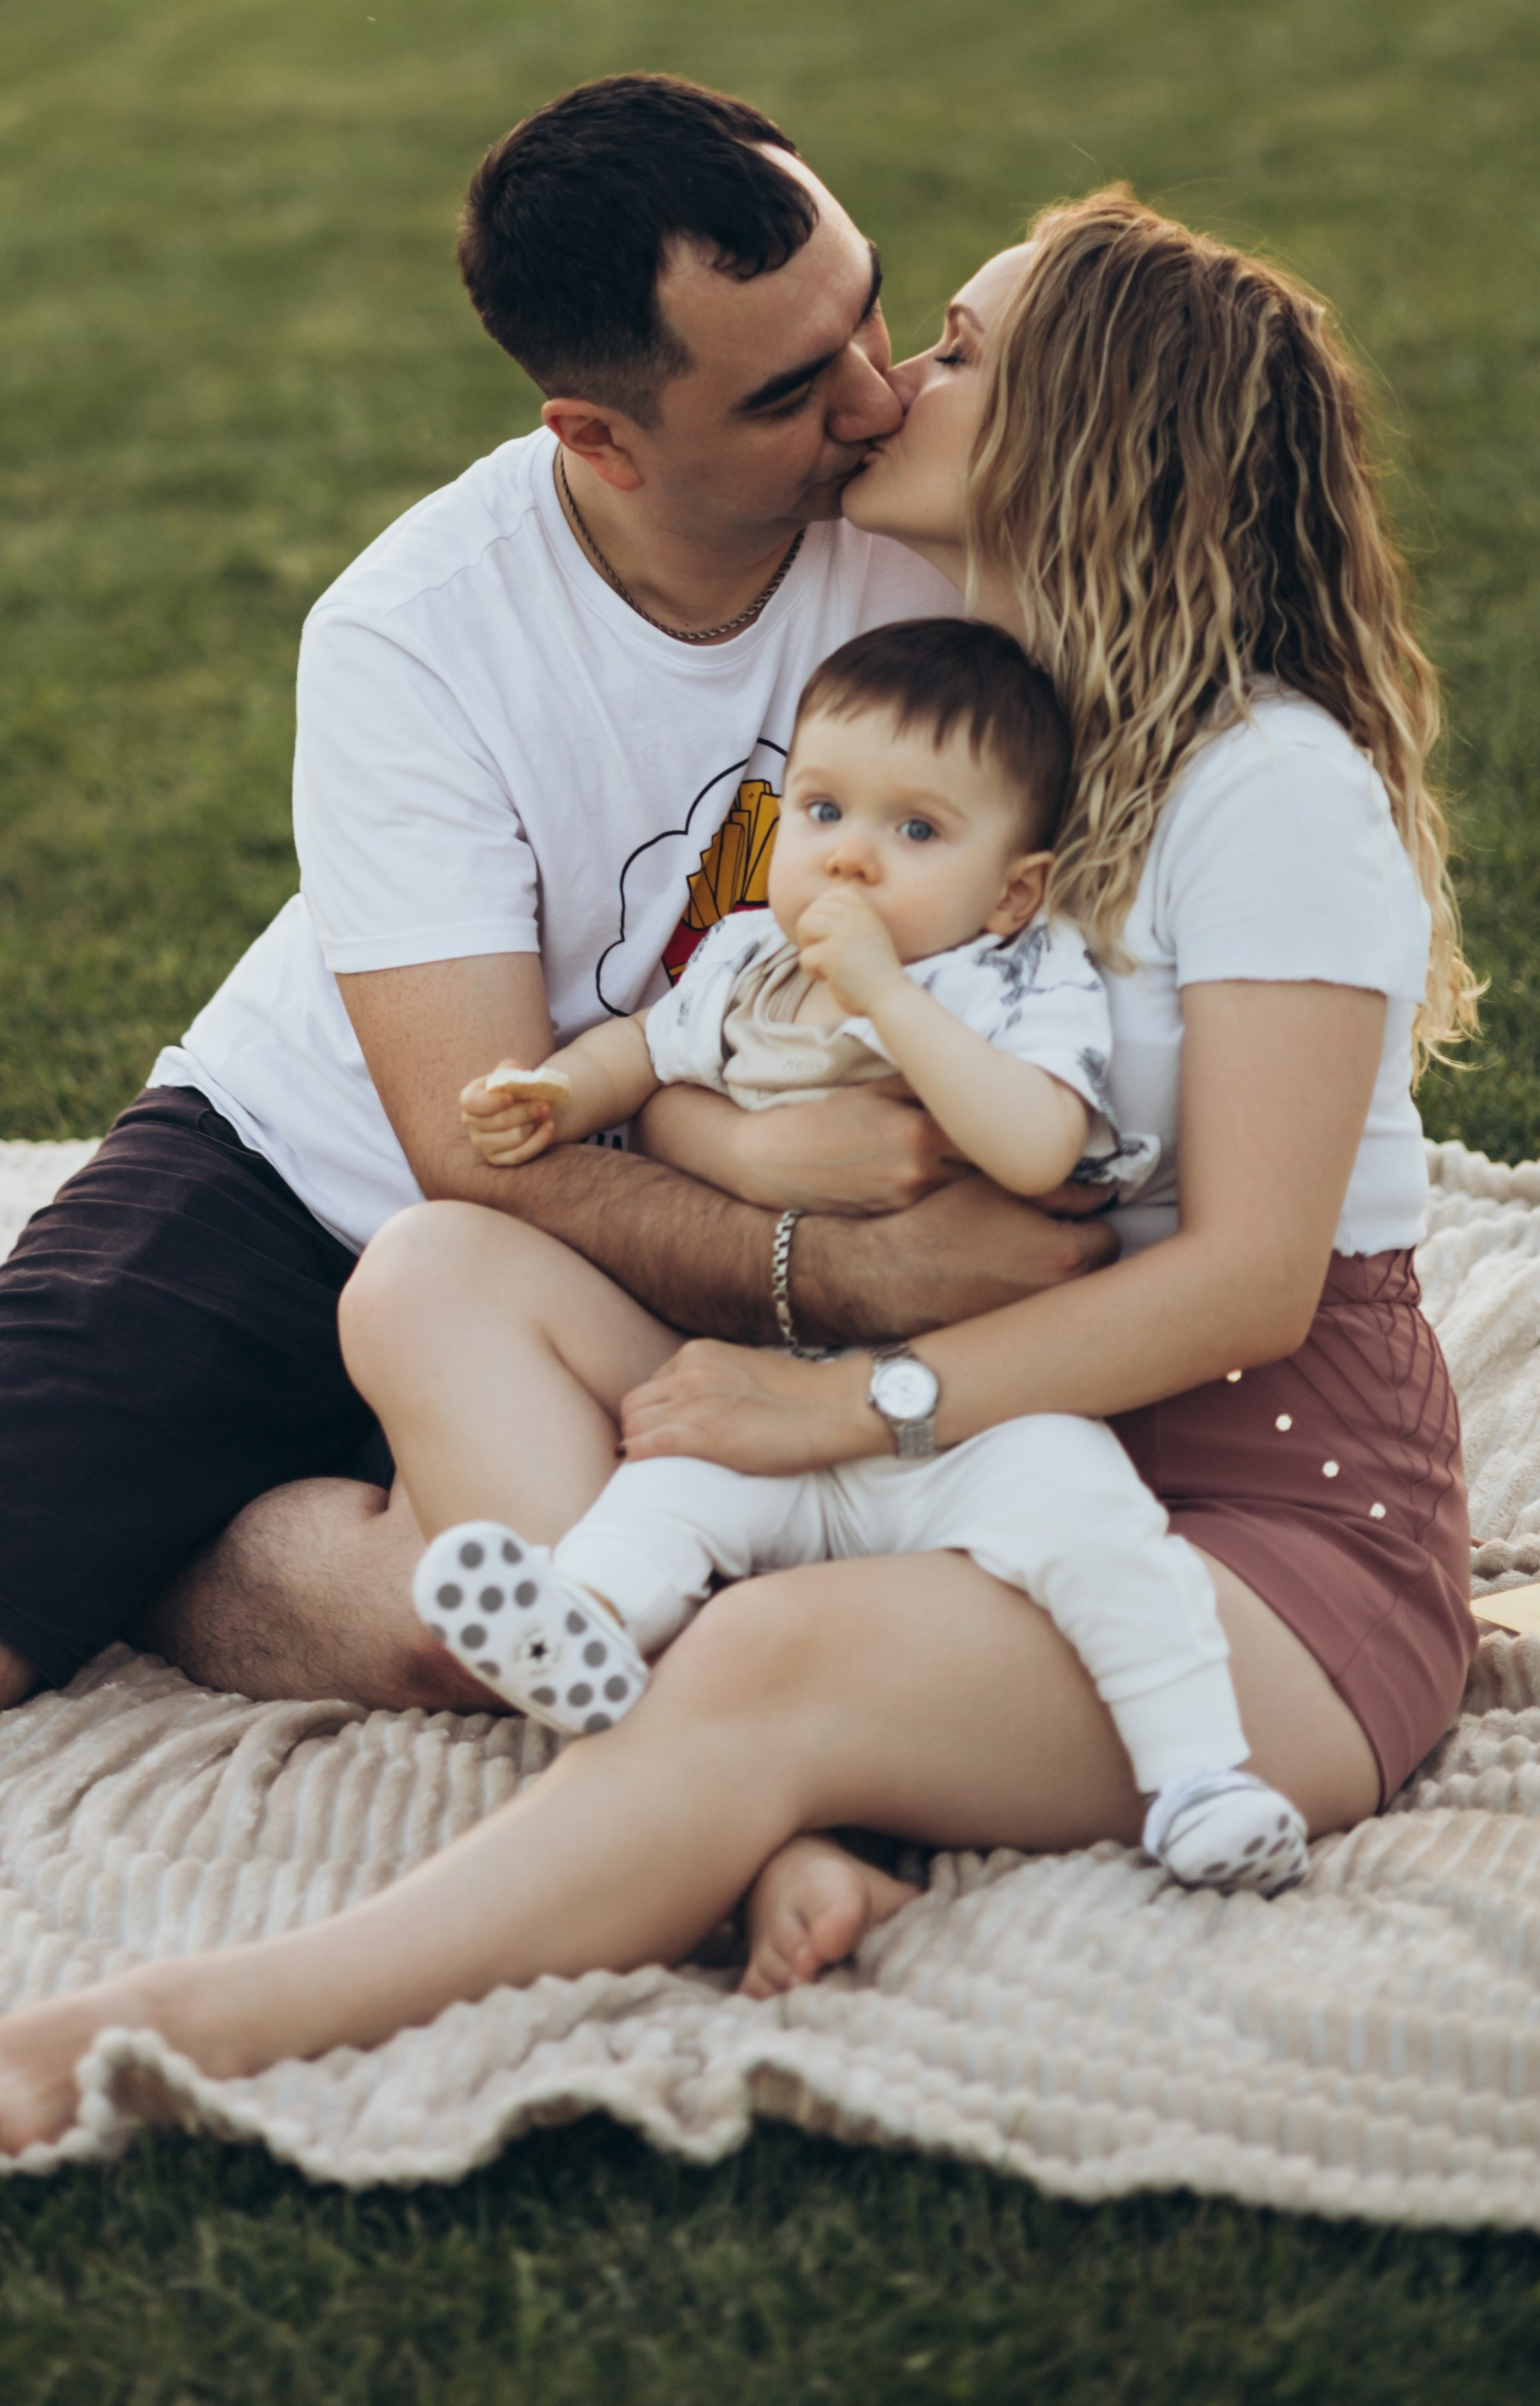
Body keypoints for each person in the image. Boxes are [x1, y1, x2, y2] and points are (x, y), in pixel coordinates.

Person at [0, 185, 1477, 2156]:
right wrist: (736, 1164)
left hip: (1252, 1541)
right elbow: (749, 1031)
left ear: (1092, 436)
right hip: (994, 1447)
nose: (892, 384)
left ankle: (185, 2018)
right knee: (433, 1271)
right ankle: (754, 1818)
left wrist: (831, 1405)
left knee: (760, 1649)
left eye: (956, 350)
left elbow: (1247, 1289)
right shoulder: (1016, 732)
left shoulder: (1260, 783)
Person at [0, 78, 1103, 1773]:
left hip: (627, 1235)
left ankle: (125, 1545)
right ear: (596, 436)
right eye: (791, 391)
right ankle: (39, 1544)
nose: (876, 401)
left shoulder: (926, 538)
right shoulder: (414, 632)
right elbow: (469, 1145)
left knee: (520, 1634)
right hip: (297, 1190)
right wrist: (847, 1269)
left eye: (872, 314)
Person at [411, 615, 1309, 1897]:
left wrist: (890, 997)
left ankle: (1200, 1779)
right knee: (664, 1494)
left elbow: (1037, 1146)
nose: (850, 857)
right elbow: (647, 1050)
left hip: (976, 1421)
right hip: (773, 1395)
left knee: (1098, 1530)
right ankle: (584, 1629)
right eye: (824, 810)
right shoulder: (745, 959)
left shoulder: (1016, 979)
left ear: (1012, 890)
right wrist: (555, 1094)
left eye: (916, 831)